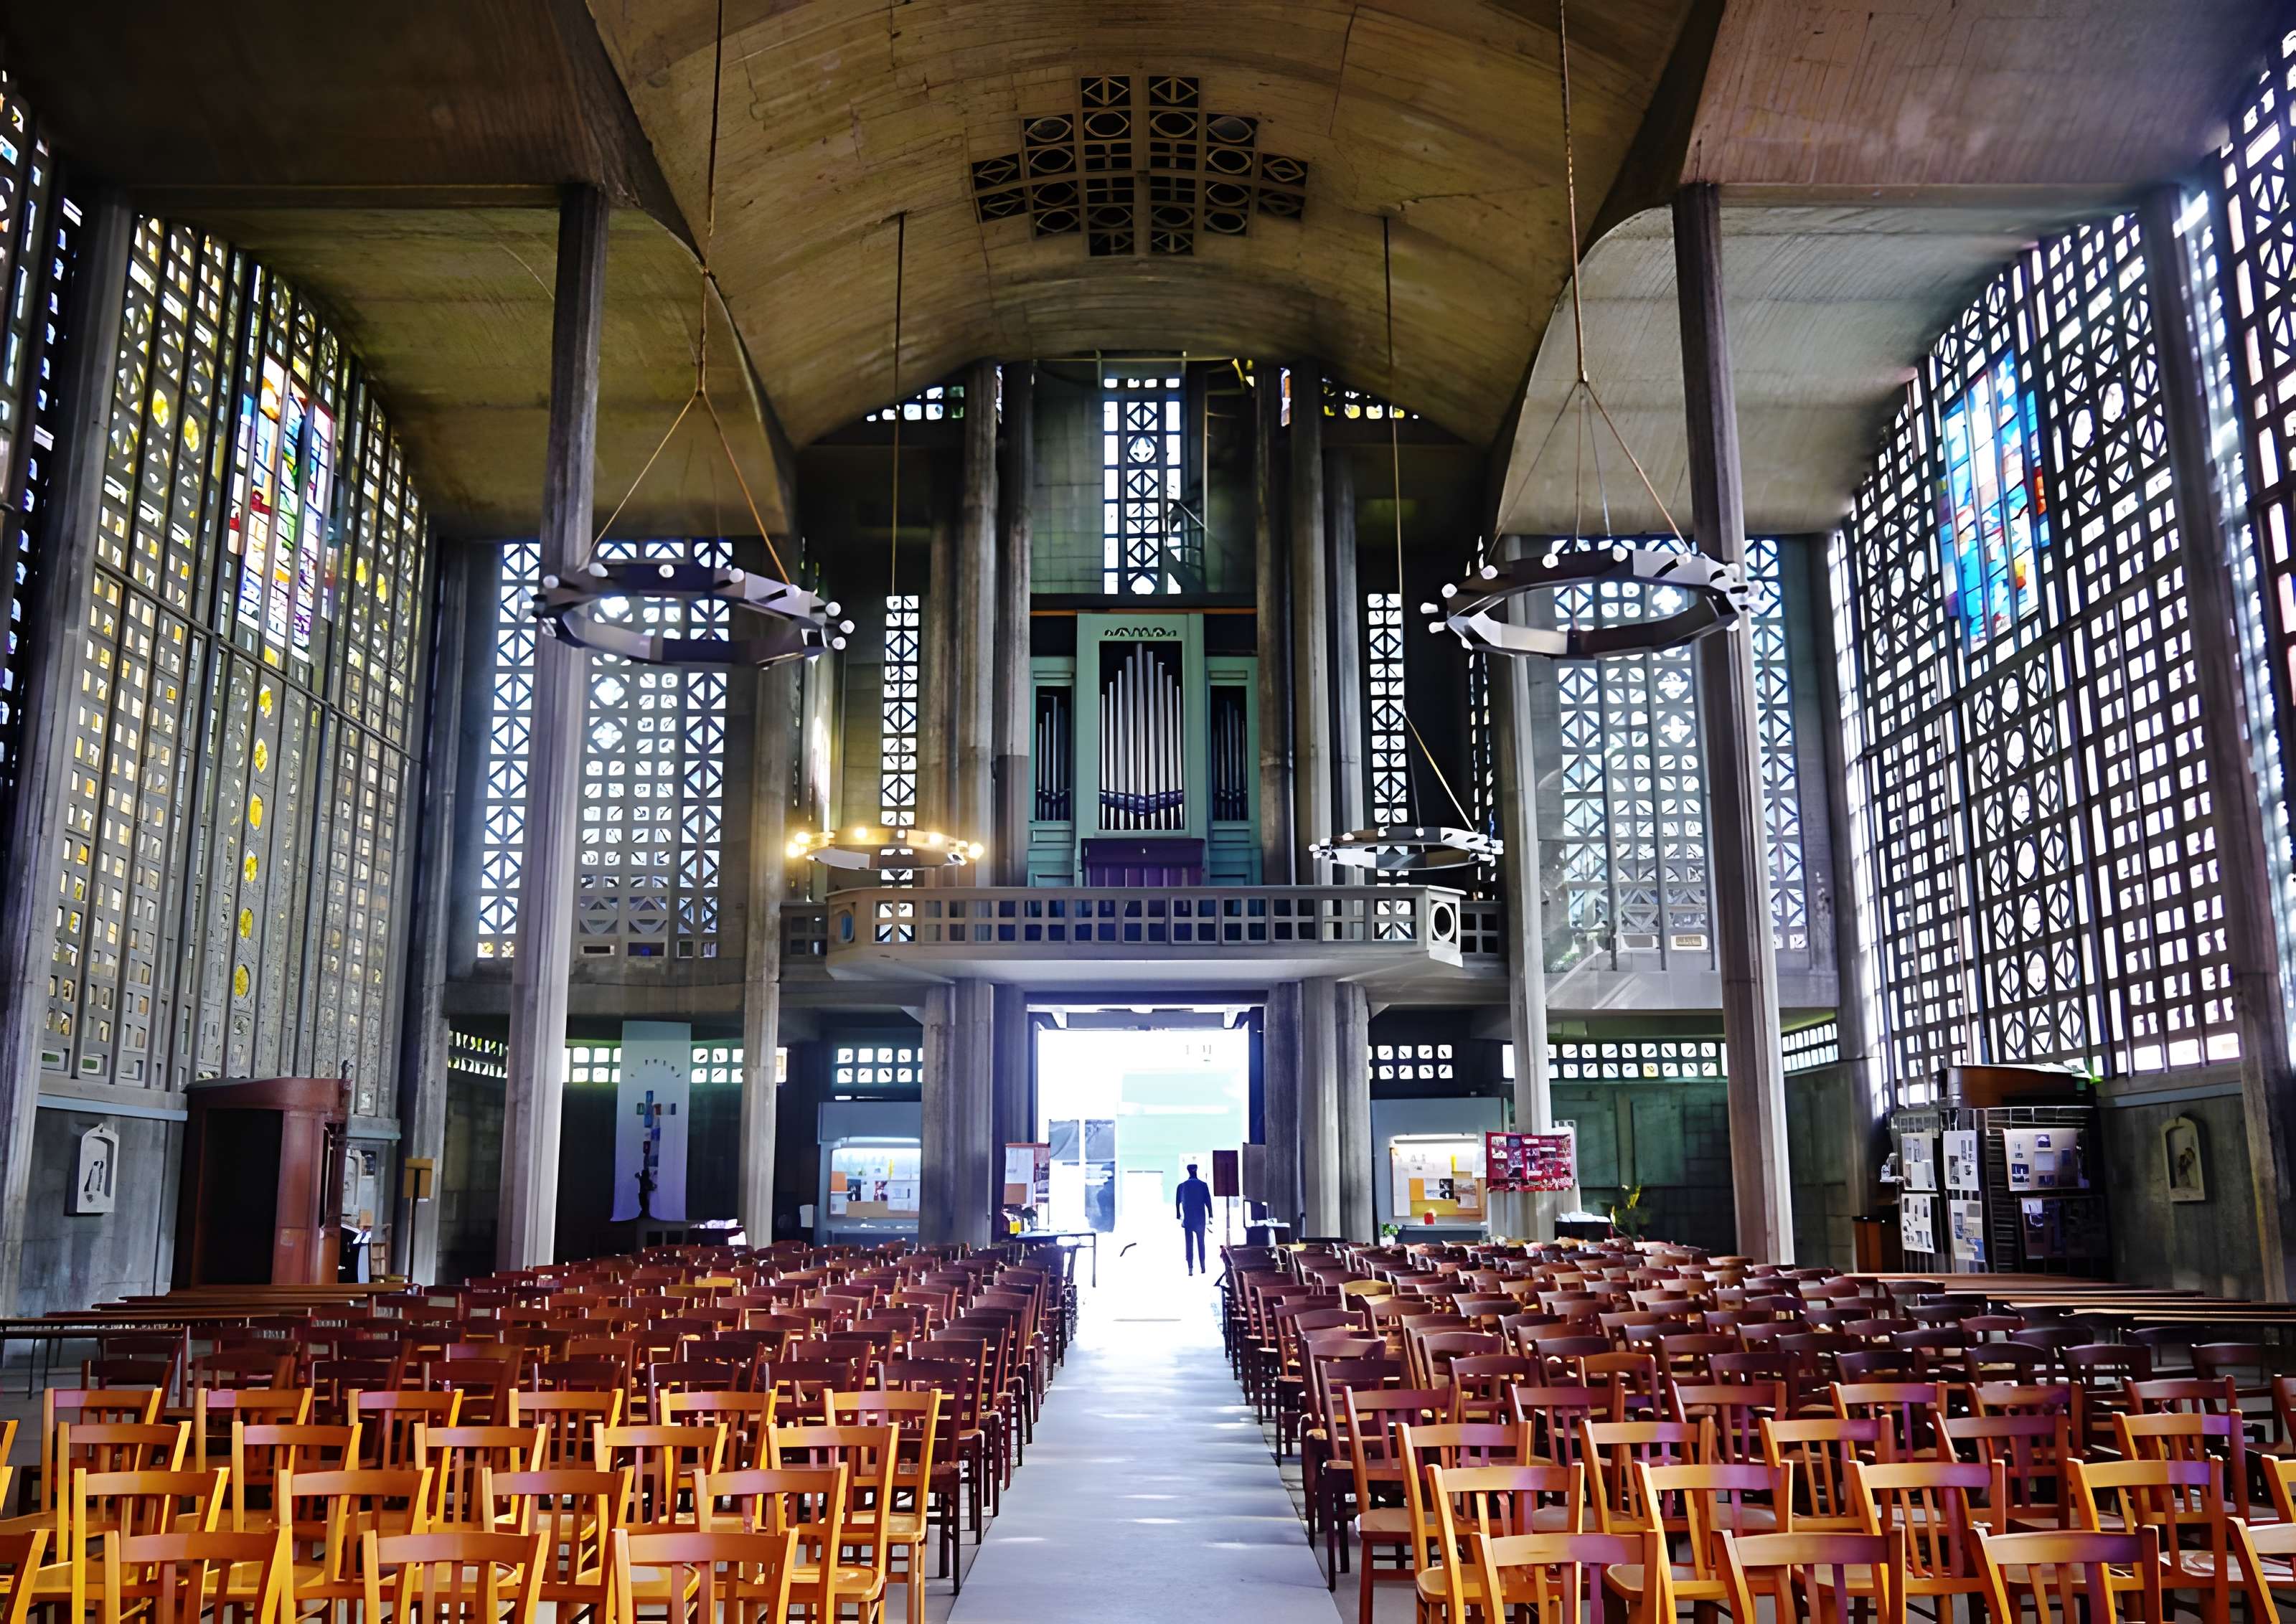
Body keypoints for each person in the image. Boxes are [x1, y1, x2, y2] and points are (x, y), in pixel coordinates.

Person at [1175, 1161, 1213, 1275]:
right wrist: (1211, 1216)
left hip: (1188, 1220)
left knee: (1189, 1243)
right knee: (1201, 1243)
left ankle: (1190, 1268)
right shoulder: (1203, 1185)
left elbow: (1177, 1203)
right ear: (1197, 1170)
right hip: (1200, 1219)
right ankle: (1203, 1266)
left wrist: (1179, 1216)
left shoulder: (1182, 1186)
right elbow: (1208, 1202)